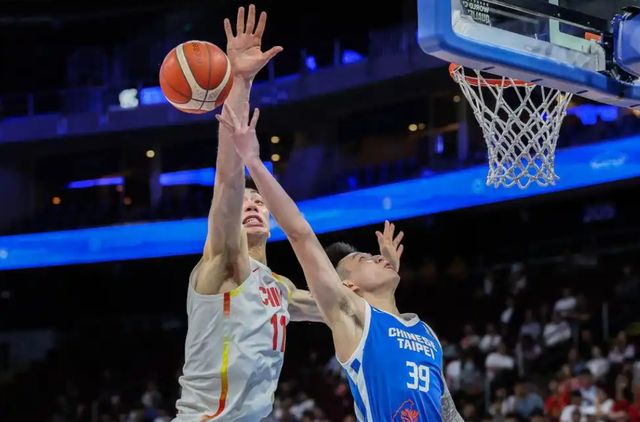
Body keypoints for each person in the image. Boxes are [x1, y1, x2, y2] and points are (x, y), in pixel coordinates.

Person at [217, 102, 464, 421]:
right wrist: (253, 161)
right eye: (365, 258)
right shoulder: (353, 315)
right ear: (348, 284)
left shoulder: (425, 332)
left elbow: (448, 411)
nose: (377, 257)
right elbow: (300, 234)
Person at [173, 6, 324, 421]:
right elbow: (227, 181)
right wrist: (239, 82)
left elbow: (335, 308)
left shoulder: (281, 288)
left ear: (271, 223)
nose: (253, 205)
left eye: (259, 203)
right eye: (245, 203)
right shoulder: (225, 263)